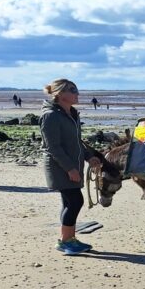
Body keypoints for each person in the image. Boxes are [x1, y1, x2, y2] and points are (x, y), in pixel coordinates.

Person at [40, 79, 100, 255]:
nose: (77, 94)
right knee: (75, 201)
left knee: (69, 202)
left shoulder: (71, 113)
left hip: (72, 165)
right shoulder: (50, 115)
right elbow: (53, 147)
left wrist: (90, 157)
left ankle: (69, 239)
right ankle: (66, 241)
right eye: (72, 90)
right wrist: (70, 169)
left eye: (77, 90)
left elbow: (76, 143)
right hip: (59, 167)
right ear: (59, 93)